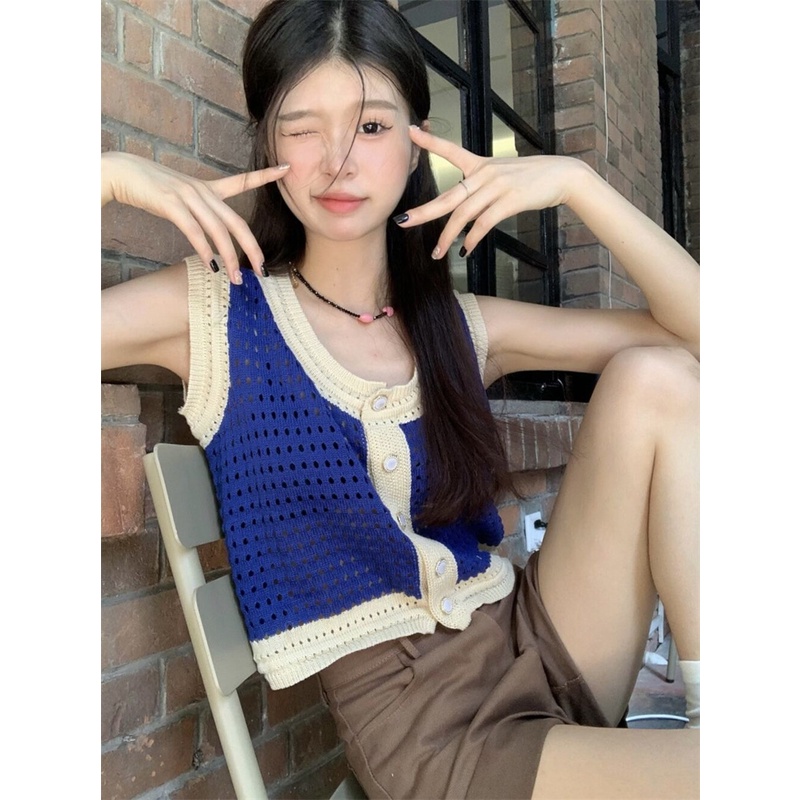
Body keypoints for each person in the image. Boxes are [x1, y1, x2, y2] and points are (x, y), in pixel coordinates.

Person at [101, 1, 699, 797]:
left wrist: (577, 185)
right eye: (302, 128)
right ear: (268, 142)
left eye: (373, 127)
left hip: (538, 635)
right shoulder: (217, 315)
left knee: (661, 378)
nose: (338, 161)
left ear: (417, 139)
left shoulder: (454, 325)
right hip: (431, 737)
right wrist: (103, 179)